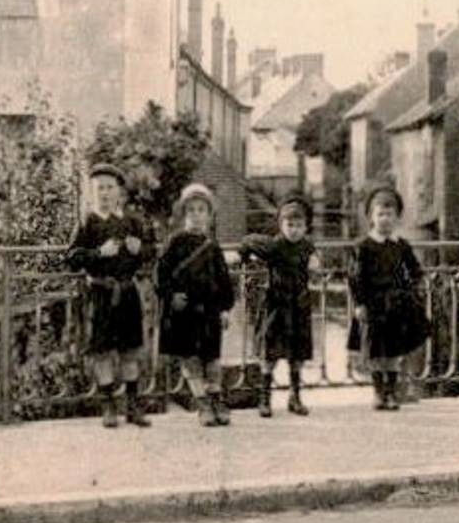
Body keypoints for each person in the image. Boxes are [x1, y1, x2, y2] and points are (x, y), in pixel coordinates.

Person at [66, 163, 153, 427]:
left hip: (127, 293)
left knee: (129, 351)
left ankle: (134, 408)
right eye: (99, 188)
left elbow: (151, 253)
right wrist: (97, 254)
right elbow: (71, 259)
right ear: (92, 193)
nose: (104, 193)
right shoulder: (87, 222)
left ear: (119, 192)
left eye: (109, 187)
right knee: (102, 352)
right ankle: (108, 408)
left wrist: (140, 250)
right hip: (100, 294)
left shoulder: (132, 222)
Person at [156, 182, 237, 426]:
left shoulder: (212, 247)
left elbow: (223, 280)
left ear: (209, 215)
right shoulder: (175, 243)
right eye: (191, 210)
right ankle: (202, 405)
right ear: (183, 215)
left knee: (212, 360)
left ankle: (216, 399)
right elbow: (160, 275)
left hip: (210, 312)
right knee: (190, 360)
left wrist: (225, 308)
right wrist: (171, 295)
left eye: (202, 210)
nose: (196, 215)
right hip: (184, 312)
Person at [350, 182, 428, 411]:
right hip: (373, 305)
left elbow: (415, 270)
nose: (385, 219)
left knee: (393, 350)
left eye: (390, 214)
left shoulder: (400, 245)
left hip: (395, 305)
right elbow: (355, 278)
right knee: (375, 350)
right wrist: (359, 303)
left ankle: (392, 393)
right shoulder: (363, 247)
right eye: (380, 214)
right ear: (371, 217)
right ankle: (378, 393)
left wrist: (411, 289)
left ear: (397, 218)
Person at [241, 191, 318, 417]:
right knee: (270, 354)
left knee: (297, 355)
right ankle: (265, 399)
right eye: (289, 224)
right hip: (276, 304)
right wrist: (247, 255)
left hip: (299, 304)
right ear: (281, 225)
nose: (294, 229)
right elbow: (248, 241)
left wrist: (314, 260)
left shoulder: (306, 247)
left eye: (298, 224)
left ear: (305, 227)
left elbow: (314, 260)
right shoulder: (274, 245)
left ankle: (295, 397)